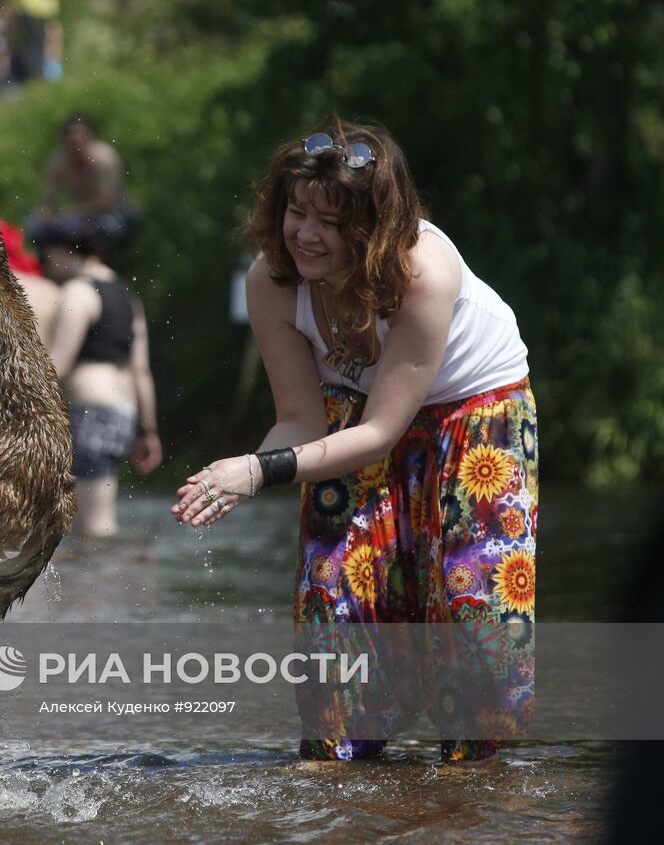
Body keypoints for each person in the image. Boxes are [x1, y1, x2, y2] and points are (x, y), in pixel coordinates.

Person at [172, 116, 537, 763]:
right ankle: (336, 773)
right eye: (295, 212)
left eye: (331, 222)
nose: (306, 235)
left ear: (372, 229)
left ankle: (473, 781)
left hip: (474, 412)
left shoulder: (424, 270)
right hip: (354, 414)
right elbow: (301, 421)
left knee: (466, 600)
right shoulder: (272, 281)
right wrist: (245, 468)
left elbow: (380, 435)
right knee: (332, 587)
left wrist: (262, 472)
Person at [40, 225, 161, 537]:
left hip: (89, 411)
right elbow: (141, 371)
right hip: (122, 412)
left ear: (67, 248)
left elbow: (58, 363)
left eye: (49, 252)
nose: (46, 261)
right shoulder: (127, 295)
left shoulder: (78, 291)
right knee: (100, 517)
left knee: (89, 527)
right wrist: (148, 432)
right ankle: (110, 580)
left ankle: (101, 583)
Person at [31, 115, 138, 253]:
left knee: (111, 226)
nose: (76, 140)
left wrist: (71, 212)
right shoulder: (57, 162)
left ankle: (114, 260)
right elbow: (47, 200)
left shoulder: (104, 159)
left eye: (81, 135)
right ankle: (50, 260)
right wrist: (49, 213)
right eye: (72, 136)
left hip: (109, 211)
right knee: (35, 225)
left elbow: (107, 201)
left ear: (90, 137)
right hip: (79, 214)